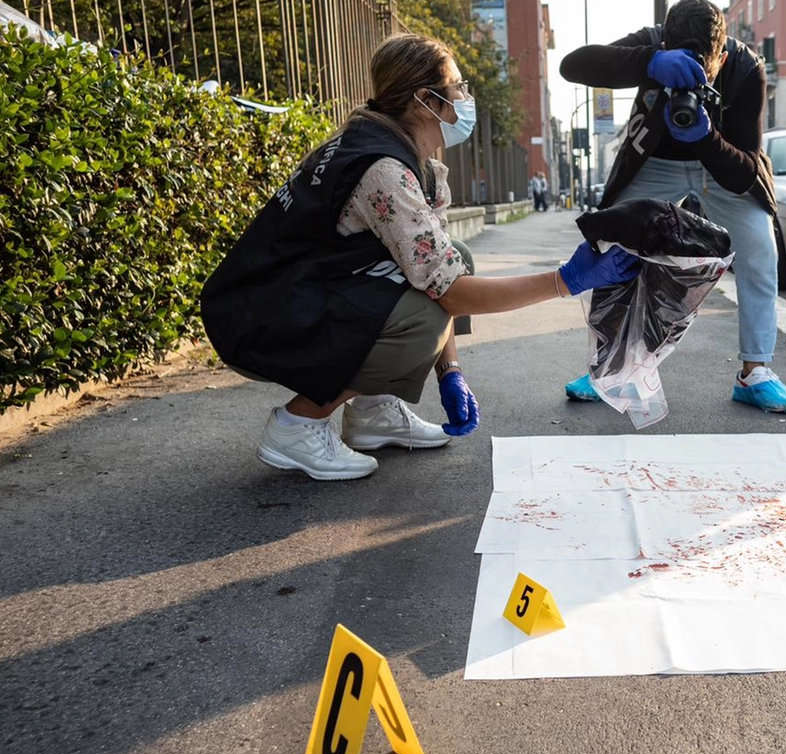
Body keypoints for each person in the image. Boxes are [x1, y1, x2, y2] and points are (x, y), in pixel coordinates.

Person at [200, 34, 639, 481]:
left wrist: (451, 369)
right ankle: (299, 423)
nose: (466, 98)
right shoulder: (385, 171)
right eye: (458, 87)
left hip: (295, 299)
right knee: (421, 321)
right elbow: (449, 293)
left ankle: (374, 412)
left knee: (455, 261)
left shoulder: (404, 157)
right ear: (425, 100)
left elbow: (444, 266)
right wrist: (563, 281)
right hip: (260, 322)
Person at [557, 0, 786, 413]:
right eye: (679, 69)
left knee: (760, 251)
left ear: (721, 57)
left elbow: (745, 172)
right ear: (666, 45)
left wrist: (706, 139)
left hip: (719, 162)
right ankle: (608, 370)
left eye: (700, 73)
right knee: (616, 244)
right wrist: (649, 61)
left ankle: (755, 371)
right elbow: (572, 65)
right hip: (657, 163)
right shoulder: (653, 45)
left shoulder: (746, 69)